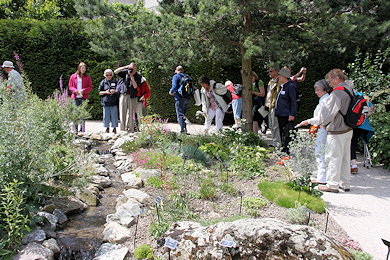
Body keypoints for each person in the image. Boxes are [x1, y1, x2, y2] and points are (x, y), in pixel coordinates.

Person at [318, 69, 353, 193]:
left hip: (337, 129)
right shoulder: (350, 89)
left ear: (336, 78)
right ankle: (345, 183)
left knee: (333, 156)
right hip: (349, 128)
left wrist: (323, 123)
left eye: (330, 80)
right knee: (345, 157)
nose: (329, 83)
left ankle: (332, 185)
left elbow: (329, 112)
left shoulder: (338, 92)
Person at [298, 79, 331, 184]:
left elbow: (319, 119)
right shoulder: (327, 99)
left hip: (322, 128)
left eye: (318, 90)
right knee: (323, 152)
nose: (316, 92)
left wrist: (307, 121)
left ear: (324, 89)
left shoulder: (325, 101)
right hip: (323, 128)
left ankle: (322, 178)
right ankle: (323, 176)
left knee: (319, 152)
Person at [346, 80, 375, 174]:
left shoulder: (347, 95)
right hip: (363, 125)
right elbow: (372, 108)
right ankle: (354, 163)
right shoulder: (362, 96)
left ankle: (353, 164)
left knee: (350, 142)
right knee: (353, 142)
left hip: (352, 123)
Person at [114, 62, 143, 132]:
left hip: (133, 96)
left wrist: (132, 77)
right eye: (131, 68)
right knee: (122, 113)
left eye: (133, 69)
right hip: (124, 95)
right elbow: (115, 72)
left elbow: (135, 86)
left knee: (131, 114)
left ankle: (131, 129)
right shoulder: (125, 72)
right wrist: (125, 67)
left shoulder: (138, 75)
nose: (132, 70)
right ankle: (122, 129)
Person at [275, 67, 298, 154]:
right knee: (282, 132)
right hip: (281, 114)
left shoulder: (290, 87)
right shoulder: (282, 87)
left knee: (286, 133)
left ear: (285, 76)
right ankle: (283, 147)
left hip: (286, 114)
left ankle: (287, 150)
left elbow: (293, 102)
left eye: (280, 75)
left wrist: (292, 114)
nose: (279, 77)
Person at [68, 62, 92, 133]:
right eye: (82, 68)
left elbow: (90, 87)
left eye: (84, 68)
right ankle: (75, 129)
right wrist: (75, 90)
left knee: (82, 114)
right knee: (75, 113)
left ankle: (82, 129)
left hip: (83, 97)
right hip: (75, 97)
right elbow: (70, 86)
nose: (83, 69)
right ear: (79, 68)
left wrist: (83, 90)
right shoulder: (73, 76)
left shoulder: (87, 77)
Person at [169, 65, 191, 134]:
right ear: (182, 70)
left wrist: (171, 92)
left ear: (176, 70)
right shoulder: (188, 77)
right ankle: (184, 129)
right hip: (187, 98)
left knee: (180, 115)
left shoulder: (176, 76)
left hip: (179, 98)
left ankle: (183, 131)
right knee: (184, 114)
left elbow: (174, 86)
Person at [265, 65, 282, 147]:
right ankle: (274, 142)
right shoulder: (270, 81)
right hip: (269, 105)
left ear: (276, 71)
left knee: (275, 126)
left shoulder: (279, 81)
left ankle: (277, 144)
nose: (269, 73)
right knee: (271, 125)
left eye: (271, 71)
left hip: (274, 105)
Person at [98, 69, 119, 134]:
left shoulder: (115, 81)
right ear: (105, 75)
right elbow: (99, 92)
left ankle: (114, 128)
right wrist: (106, 92)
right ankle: (107, 128)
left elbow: (119, 89)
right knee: (106, 116)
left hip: (114, 101)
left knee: (114, 116)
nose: (108, 76)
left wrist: (114, 91)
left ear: (112, 75)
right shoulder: (103, 82)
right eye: (107, 75)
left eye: (110, 75)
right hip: (106, 102)